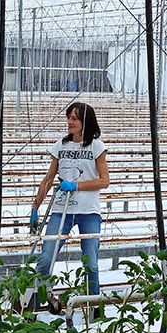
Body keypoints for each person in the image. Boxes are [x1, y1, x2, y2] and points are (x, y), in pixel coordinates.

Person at [29, 102, 109, 308]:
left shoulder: (96, 146)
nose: (69, 122)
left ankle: (92, 305)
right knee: (46, 257)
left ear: (85, 121)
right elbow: (48, 178)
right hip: (60, 209)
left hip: (88, 211)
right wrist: (35, 207)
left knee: (90, 261)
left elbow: (104, 181)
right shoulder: (61, 146)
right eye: (69, 118)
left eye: (74, 118)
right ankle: (39, 298)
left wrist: (76, 185)